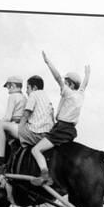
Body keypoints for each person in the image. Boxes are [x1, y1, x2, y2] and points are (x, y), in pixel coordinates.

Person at [29, 51, 90, 186]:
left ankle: (45, 175)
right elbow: (84, 85)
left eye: (66, 82)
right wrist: (87, 75)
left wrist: (48, 62)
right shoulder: (80, 94)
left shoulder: (69, 93)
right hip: (70, 131)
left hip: (61, 129)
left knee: (36, 150)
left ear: (71, 85)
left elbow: (57, 77)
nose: (63, 85)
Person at [0, 75, 55, 171]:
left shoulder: (33, 95)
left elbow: (26, 114)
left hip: (35, 134)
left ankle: (0, 161)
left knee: (1, 125)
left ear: (34, 88)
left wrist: (20, 126)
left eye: (28, 88)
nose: (26, 91)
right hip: (47, 135)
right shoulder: (46, 98)